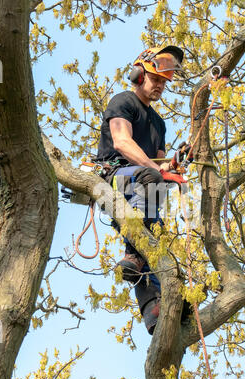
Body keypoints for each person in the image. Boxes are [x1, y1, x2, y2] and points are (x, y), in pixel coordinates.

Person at [95, 46, 189, 334]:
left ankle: (156, 309)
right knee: (150, 177)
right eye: (155, 79)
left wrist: (173, 166)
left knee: (155, 234)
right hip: (114, 179)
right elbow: (122, 142)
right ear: (138, 76)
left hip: (144, 186)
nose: (160, 86)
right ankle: (132, 252)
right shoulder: (123, 101)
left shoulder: (159, 123)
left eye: (164, 82)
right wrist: (157, 170)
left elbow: (160, 163)